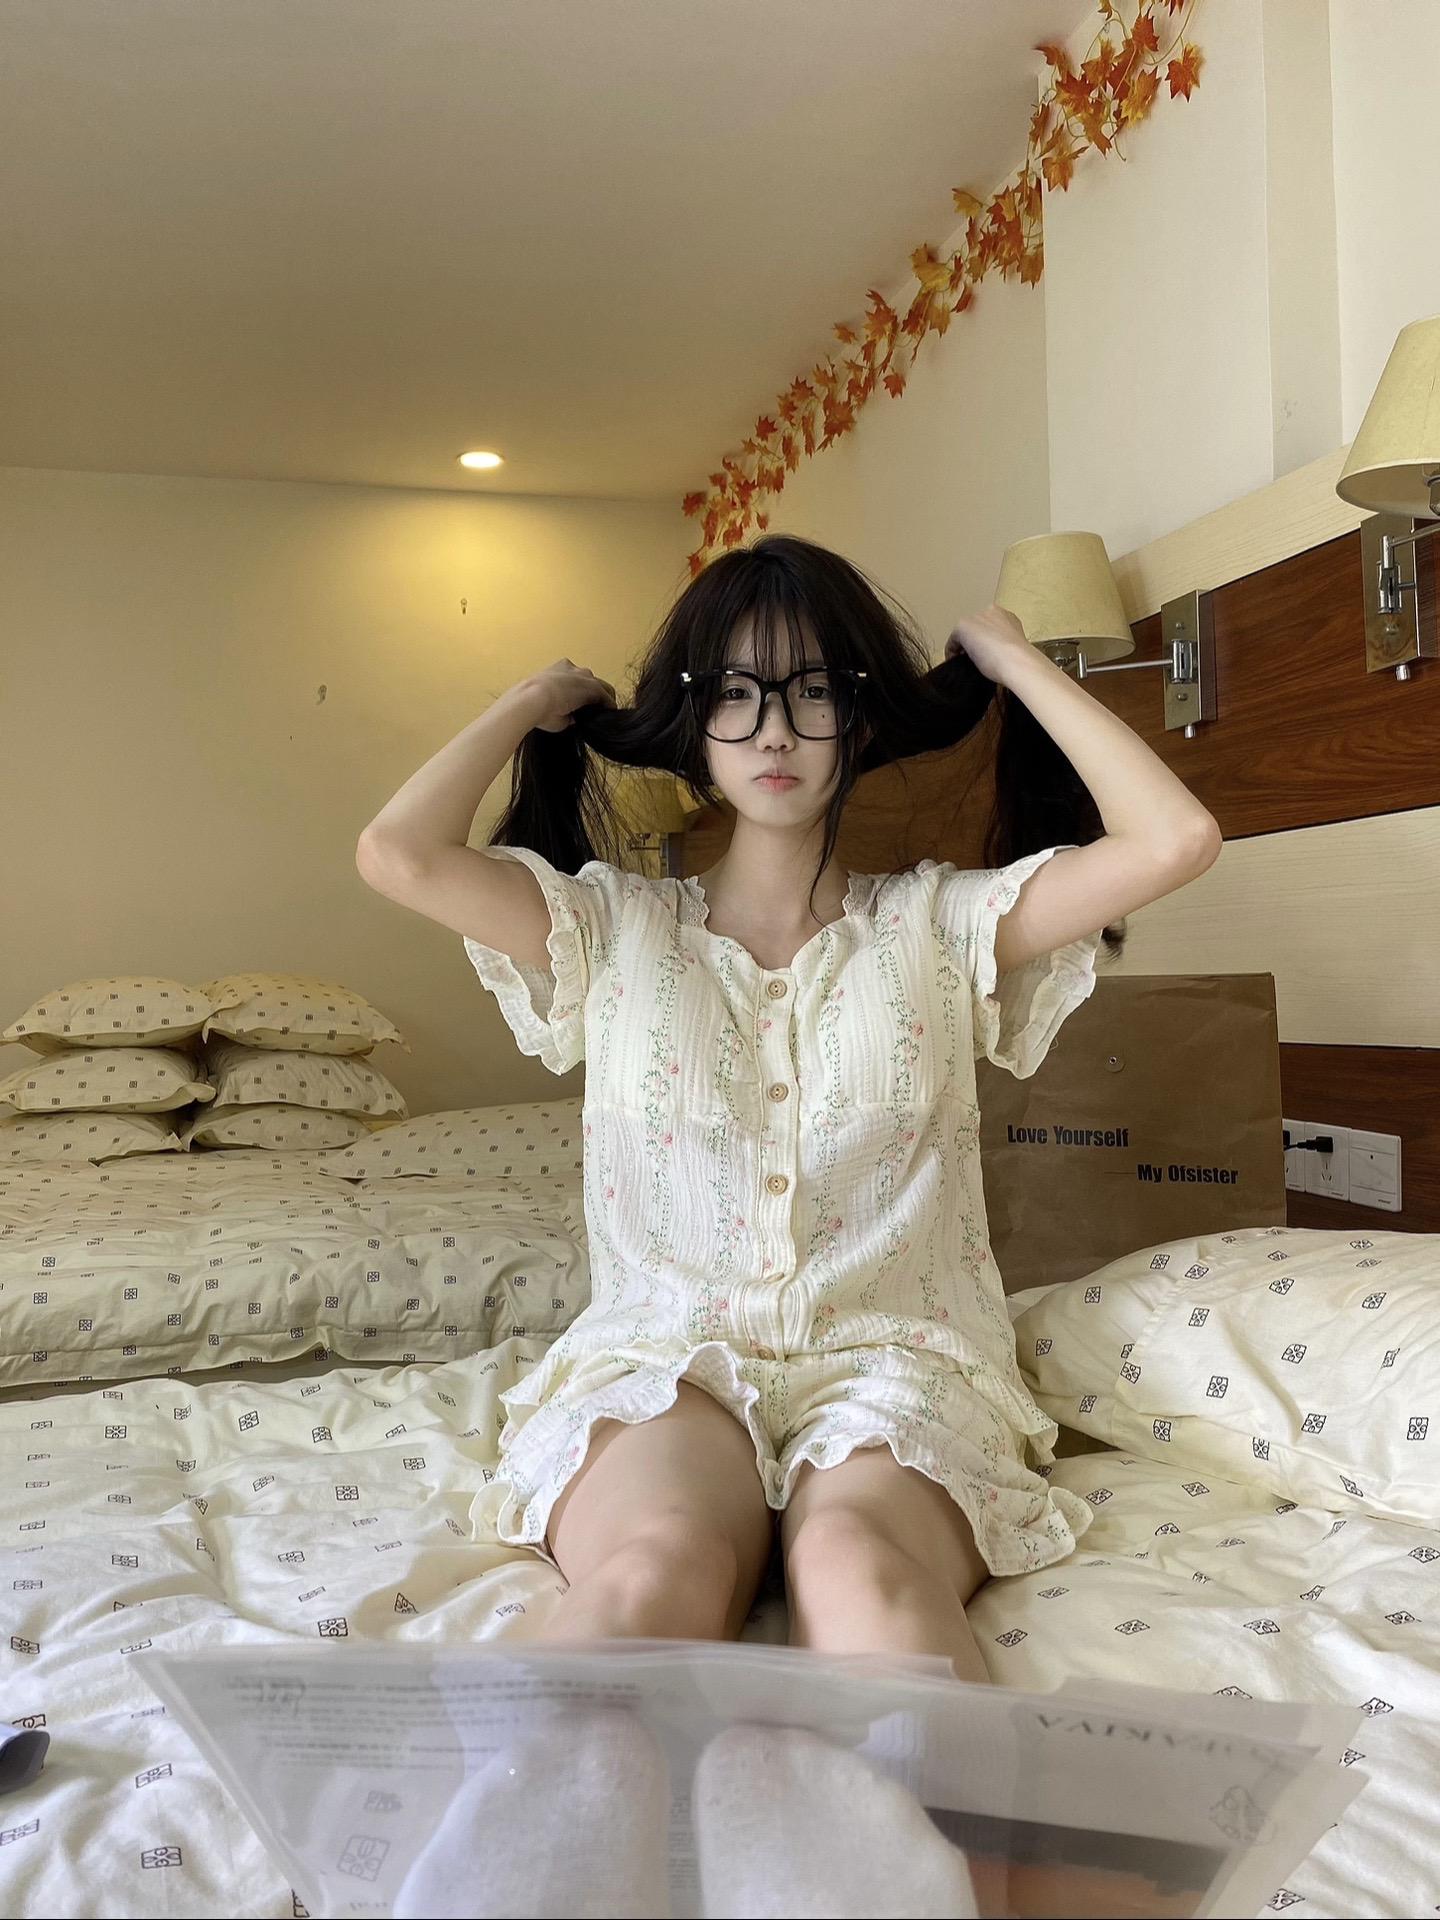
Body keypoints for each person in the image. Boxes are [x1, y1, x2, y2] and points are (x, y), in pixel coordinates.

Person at [358, 534, 1221, 1917]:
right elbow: (397, 853)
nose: (773, 730)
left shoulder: (943, 926)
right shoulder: (607, 931)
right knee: (651, 1571)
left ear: (861, 719)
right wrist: (534, 700)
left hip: (896, 1359)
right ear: (690, 721)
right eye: (734, 693)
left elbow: (1176, 840)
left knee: (857, 1571)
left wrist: (1009, 661)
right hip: (668, 1359)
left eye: (814, 691)